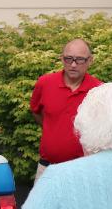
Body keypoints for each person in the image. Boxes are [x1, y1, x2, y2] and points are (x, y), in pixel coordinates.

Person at [30, 38, 102, 180]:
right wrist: (55, 129)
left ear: (90, 61)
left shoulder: (99, 90)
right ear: (61, 59)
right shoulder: (45, 83)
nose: (73, 65)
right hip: (48, 169)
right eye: (68, 59)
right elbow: (36, 112)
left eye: (80, 60)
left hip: (85, 171)